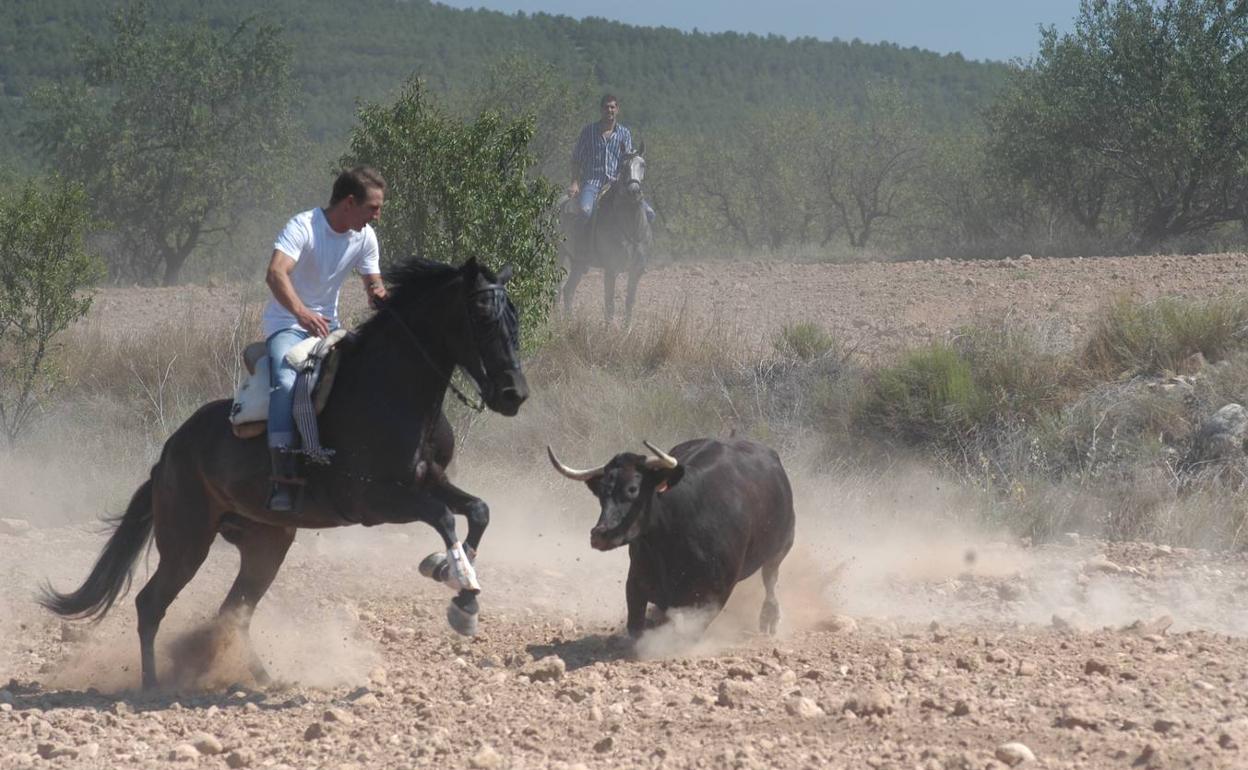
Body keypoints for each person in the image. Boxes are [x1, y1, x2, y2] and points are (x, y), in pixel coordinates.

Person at [261, 166, 389, 512]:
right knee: (286, 381)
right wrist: (302, 313)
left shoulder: (364, 238)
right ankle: (282, 479)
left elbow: (372, 283)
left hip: (328, 328)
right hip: (287, 324)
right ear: (350, 202)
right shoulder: (304, 226)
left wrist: (381, 296)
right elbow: (275, 273)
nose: (376, 216)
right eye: (372, 208)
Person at [568, 93, 654, 246]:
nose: (610, 110)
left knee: (648, 213)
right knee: (585, 211)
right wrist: (575, 182)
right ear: (601, 110)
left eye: (612, 107)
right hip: (592, 183)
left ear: (617, 109)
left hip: (616, 183)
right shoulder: (588, 131)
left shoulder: (624, 133)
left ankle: (639, 252)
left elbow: (628, 160)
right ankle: (580, 250)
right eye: (606, 107)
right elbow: (576, 159)